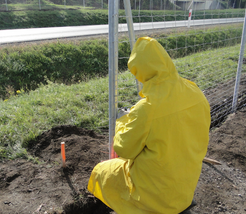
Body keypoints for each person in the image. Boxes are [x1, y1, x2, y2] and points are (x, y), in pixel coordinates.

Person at [87, 37, 211, 214]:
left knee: (102, 171)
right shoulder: (195, 92)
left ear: (141, 72)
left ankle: (131, 208)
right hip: (185, 186)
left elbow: (124, 149)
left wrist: (123, 120)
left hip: (155, 193)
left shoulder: (147, 108)